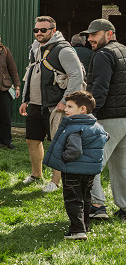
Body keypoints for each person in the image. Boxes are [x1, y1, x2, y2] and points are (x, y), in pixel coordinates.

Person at [19, 16, 84, 192]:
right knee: (32, 140)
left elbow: (77, 76)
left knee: (57, 143)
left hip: (55, 106)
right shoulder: (35, 48)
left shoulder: (64, 50)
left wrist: (66, 101)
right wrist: (25, 99)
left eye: (43, 30)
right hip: (34, 104)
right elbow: (30, 72)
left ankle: (55, 182)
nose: (39, 33)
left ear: (53, 31)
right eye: (36, 30)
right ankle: (36, 175)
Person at [43, 90, 109, 240]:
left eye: (70, 106)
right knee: (86, 199)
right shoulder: (97, 127)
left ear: (82, 109)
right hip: (90, 172)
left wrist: (65, 158)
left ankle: (77, 230)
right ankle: (85, 226)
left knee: (73, 200)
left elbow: (74, 150)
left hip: (73, 170)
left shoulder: (75, 128)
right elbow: (106, 137)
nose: (66, 109)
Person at [82, 19, 126, 221]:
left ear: (109, 34)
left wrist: (90, 114)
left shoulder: (103, 55)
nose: (90, 38)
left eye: (94, 34)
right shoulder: (123, 50)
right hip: (124, 119)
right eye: (89, 35)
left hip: (108, 117)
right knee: (122, 165)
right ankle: (124, 208)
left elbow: (100, 87)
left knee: (91, 161)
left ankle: (97, 205)